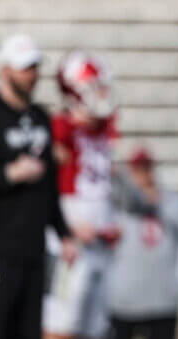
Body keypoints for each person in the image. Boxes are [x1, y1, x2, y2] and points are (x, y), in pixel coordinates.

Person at [0, 33, 76, 339]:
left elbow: (49, 187)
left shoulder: (40, 118)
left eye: (34, 67)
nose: (31, 75)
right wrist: (9, 174)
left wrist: (64, 234)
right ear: (5, 70)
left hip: (31, 256)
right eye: (24, 68)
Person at [43, 51, 121, 339]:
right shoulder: (60, 128)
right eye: (94, 86)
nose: (101, 93)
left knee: (96, 325)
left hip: (100, 239)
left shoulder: (103, 129)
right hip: (69, 243)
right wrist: (69, 228)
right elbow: (49, 188)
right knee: (61, 321)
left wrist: (112, 220)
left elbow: (104, 186)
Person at [107, 147, 178, 339]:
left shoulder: (172, 202)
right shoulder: (118, 204)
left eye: (146, 169)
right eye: (137, 170)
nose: (142, 175)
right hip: (124, 299)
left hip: (163, 298)